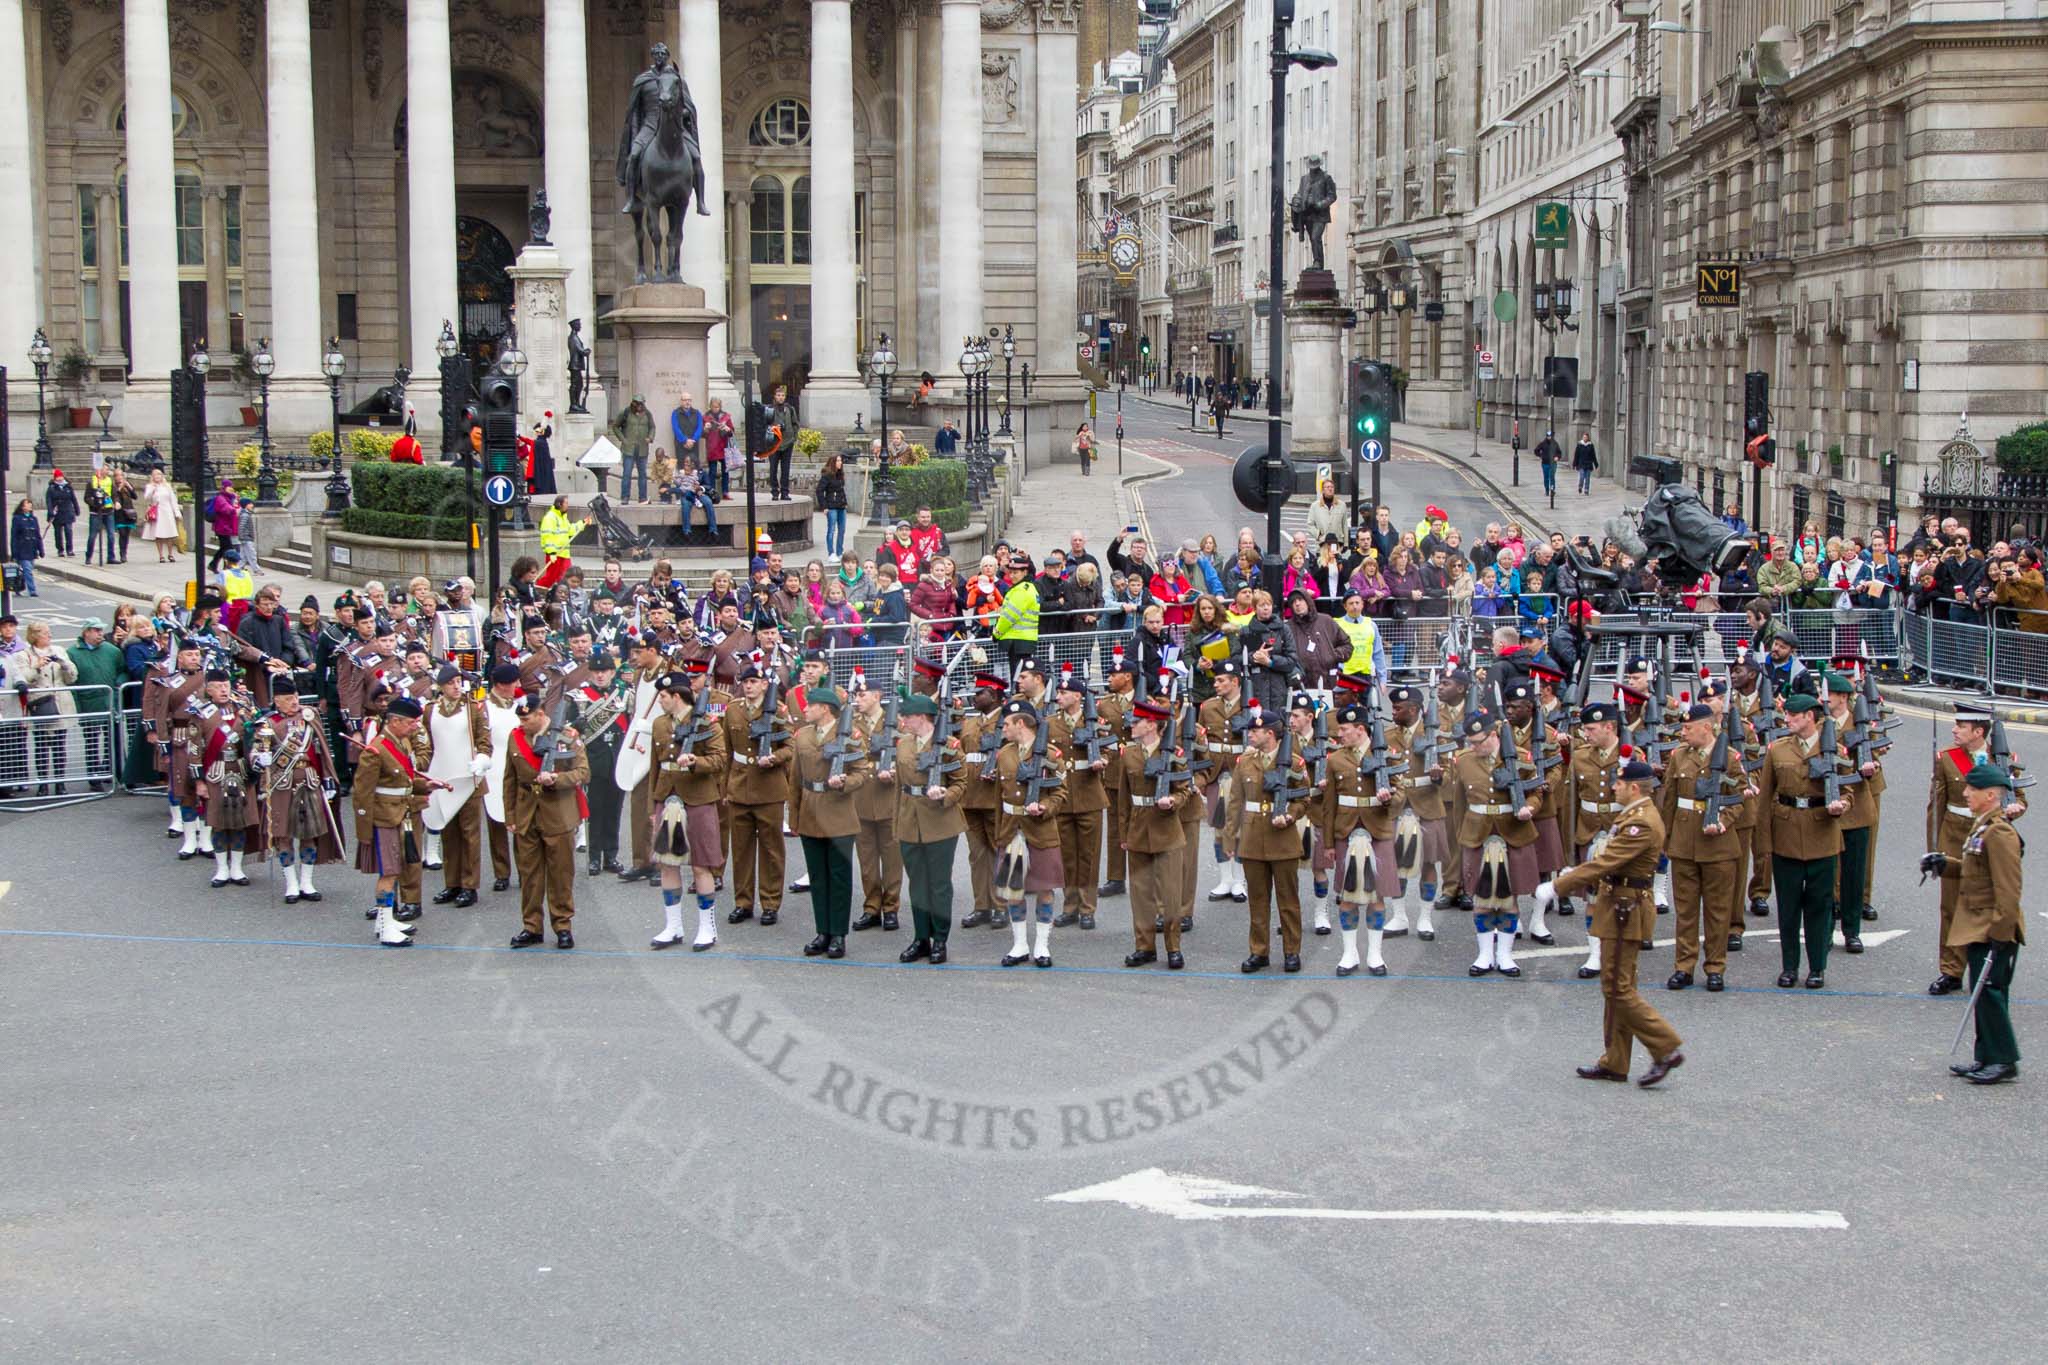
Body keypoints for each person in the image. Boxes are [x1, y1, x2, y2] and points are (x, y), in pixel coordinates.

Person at [1541, 759, 1686, 1087]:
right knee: (1616, 987)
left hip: (1626, 910)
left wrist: (1558, 886)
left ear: (1634, 788)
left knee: (1618, 988)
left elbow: (1608, 861)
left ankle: (1664, 1047)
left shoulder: (1641, 823)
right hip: (1619, 906)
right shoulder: (1635, 815)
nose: (1613, 788)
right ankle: (1616, 1061)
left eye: (1619, 784)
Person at [1925, 707, 2028, 994]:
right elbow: (1936, 804)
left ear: (1979, 731)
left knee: (1987, 903)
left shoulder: (2004, 758)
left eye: (1962, 726)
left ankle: (1984, 966)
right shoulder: (1946, 759)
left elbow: (2017, 795)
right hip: (1955, 835)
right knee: (1951, 907)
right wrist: (1934, 850)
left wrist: (2016, 808)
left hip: (1991, 839)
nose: (1955, 730)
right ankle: (1951, 969)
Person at [1755, 693, 1855, 989]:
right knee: (1788, 907)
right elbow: (1764, 800)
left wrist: (1841, 806)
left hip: (1821, 832)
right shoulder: (1778, 750)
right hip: (1786, 832)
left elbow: (1849, 790)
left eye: (1793, 716)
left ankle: (1816, 968)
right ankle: (1789, 967)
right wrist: (1764, 844)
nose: (1787, 721)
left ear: (1809, 717)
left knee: (1819, 906)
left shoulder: (1833, 750)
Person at [1945, 764, 2025, 1084]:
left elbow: (2008, 889)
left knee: (1990, 992)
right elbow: (1974, 868)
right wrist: (1945, 865)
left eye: (1971, 790)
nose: (1965, 793)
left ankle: (2004, 1060)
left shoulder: (2000, 832)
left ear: (1990, 795)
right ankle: (1986, 1056)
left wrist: (2001, 933)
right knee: (1983, 993)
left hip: (1993, 926)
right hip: (1980, 923)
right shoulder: (1984, 826)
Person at [1657, 704, 1745, 992]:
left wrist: (1723, 821)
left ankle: (1715, 966)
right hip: (1684, 841)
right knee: (1686, 910)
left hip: (1717, 844)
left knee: (1718, 911)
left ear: (1706, 728)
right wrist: (1665, 838)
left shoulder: (1730, 758)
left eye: (1688, 728)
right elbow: (1669, 799)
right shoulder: (1679, 757)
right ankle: (1684, 966)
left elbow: (1740, 798)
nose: (1683, 733)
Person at [646, 670, 728, 951]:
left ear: (677, 697)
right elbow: (655, 768)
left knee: (701, 865)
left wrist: (695, 761)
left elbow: (719, 759)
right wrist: (652, 806)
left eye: (664, 696)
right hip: (667, 798)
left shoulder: (707, 723)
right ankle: (673, 926)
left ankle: (707, 927)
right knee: (667, 863)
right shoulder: (658, 725)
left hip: (698, 798)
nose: (660, 701)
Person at [1229, 706, 1312, 973]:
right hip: (1253, 836)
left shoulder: (1295, 763)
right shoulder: (1245, 762)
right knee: (1257, 899)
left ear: (1271, 734)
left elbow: (1303, 798)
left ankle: (1291, 951)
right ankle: (1259, 950)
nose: (1251, 735)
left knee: (1288, 900)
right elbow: (1235, 803)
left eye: (1256, 731)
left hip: (1283, 837)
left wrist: (1290, 816)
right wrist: (1230, 837)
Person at [504, 693, 590, 950]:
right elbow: (509, 779)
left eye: (527, 718)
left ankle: (563, 925)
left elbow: (583, 772)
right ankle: (531, 926)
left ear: (541, 715)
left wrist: (557, 779)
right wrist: (510, 815)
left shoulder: (567, 736)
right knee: (529, 874)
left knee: (560, 873)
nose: (522, 723)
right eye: (519, 718)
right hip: (526, 812)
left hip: (558, 813)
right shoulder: (515, 737)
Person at [248, 676, 345, 904]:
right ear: (277, 700)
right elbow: (254, 753)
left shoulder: (309, 717)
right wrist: (259, 759)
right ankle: (291, 884)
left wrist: (329, 779)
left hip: (308, 781)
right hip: (282, 783)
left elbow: (322, 749)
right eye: (288, 698)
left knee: (309, 835)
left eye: (296, 697)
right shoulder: (267, 724)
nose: (294, 702)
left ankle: (306, 882)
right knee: (283, 836)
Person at [791, 686, 871, 958]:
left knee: (838, 877)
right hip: (810, 811)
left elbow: (862, 772)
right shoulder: (802, 735)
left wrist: (845, 782)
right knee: (817, 876)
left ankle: (838, 934)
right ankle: (822, 931)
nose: (805, 708)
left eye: (809, 705)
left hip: (838, 813)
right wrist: (794, 817)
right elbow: (795, 779)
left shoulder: (849, 734)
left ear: (824, 708)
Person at [892, 691, 969, 963]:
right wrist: (897, 823)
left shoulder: (948, 745)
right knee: (917, 884)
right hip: (910, 818)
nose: (903, 721)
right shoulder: (903, 745)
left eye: (907, 716)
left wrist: (945, 795)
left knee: (938, 884)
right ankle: (920, 938)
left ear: (922, 717)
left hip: (940, 821)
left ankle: (940, 939)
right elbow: (899, 788)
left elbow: (960, 782)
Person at [993, 693, 1070, 967]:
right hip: (1012, 829)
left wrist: (1045, 807)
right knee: (1014, 890)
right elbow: (997, 798)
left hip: (1040, 829)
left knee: (1045, 889)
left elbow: (1061, 793)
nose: (1003, 728)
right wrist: (999, 833)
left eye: (1007, 724)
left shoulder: (1050, 755)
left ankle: (1042, 944)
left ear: (1021, 725)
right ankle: (1019, 944)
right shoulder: (1004, 754)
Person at [721, 661, 796, 927]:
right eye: (746, 682)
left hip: (769, 788)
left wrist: (774, 758)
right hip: (740, 785)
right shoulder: (733, 710)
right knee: (740, 850)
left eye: (754, 682)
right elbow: (727, 752)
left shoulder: (777, 711)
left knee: (771, 849)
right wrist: (725, 788)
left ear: (765, 684)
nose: (749, 686)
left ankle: (770, 902)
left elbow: (790, 746)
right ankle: (743, 902)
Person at [849, 677, 904, 933]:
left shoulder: (896, 723)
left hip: (888, 798)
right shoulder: (850, 723)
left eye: (862, 695)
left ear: (876, 695)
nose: (857, 699)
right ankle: (871, 906)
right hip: (861, 799)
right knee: (867, 859)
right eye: (857, 695)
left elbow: (907, 755)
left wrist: (893, 771)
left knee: (892, 858)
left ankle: (891, 907)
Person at [66, 617, 124, 789]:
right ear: (86, 632)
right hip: (88, 702)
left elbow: (122, 671)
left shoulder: (112, 651)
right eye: (96, 630)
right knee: (91, 741)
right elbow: (72, 681)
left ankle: (117, 774)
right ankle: (94, 777)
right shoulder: (73, 653)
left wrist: (119, 684)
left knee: (114, 739)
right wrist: (77, 705)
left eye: (101, 630)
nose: (100, 634)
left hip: (109, 701)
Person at [536, 495, 591, 590]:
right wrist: (551, 552)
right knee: (551, 578)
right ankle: (538, 589)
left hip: (564, 554)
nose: (567, 505)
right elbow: (547, 536)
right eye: (566, 503)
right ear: (559, 504)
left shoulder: (563, 518)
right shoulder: (550, 518)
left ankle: (565, 594)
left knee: (567, 577)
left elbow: (570, 530)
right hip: (555, 554)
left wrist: (582, 522)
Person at [609, 394, 656, 503]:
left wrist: (650, 437)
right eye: (637, 403)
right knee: (627, 473)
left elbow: (652, 427)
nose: (640, 406)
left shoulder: (647, 414)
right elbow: (615, 426)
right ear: (633, 403)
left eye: (641, 404)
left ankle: (642, 497)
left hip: (642, 448)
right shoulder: (625, 413)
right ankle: (625, 497)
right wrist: (623, 439)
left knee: (643, 474)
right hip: (629, 448)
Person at [764, 383, 799, 500]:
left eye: (783, 395)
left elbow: (795, 424)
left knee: (786, 469)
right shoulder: (769, 409)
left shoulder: (790, 409)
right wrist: (774, 429)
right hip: (773, 443)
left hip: (787, 442)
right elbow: (765, 425)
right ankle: (774, 491)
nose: (781, 397)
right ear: (774, 396)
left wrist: (794, 436)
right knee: (773, 469)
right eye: (778, 395)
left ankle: (785, 492)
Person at [675, 449, 719, 540]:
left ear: (693, 463)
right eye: (685, 462)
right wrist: (677, 478)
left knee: (708, 502)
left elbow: (708, 485)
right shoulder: (682, 472)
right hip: (687, 494)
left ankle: (713, 530)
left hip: (699, 494)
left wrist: (700, 488)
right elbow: (679, 485)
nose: (685, 464)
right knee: (686, 505)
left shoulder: (701, 472)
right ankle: (687, 531)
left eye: (688, 462)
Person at [139, 469, 181, 563]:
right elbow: (146, 498)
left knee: (170, 534)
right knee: (159, 535)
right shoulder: (150, 486)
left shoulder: (167, 486)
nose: (157, 476)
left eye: (159, 475)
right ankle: (161, 555)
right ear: (152, 476)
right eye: (155, 475)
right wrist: (153, 488)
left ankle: (170, 554)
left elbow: (173, 500)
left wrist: (177, 513)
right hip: (158, 512)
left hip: (167, 511)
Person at [8, 497, 44, 596]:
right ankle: (32, 590)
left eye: (30, 503)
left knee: (26, 571)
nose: (30, 505)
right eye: (27, 504)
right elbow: (14, 536)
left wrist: (41, 549)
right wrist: (14, 552)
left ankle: (17, 586)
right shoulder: (17, 519)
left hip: (32, 549)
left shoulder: (34, 519)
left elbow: (37, 535)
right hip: (22, 549)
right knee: (28, 570)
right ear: (22, 507)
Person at [814, 453, 848, 557]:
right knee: (831, 530)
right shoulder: (827, 476)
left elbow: (841, 490)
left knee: (842, 530)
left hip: (841, 506)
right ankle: (831, 552)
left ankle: (839, 551)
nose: (840, 463)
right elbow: (819, 491)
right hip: (831, 506)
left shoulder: (840, 474)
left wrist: (845, 502)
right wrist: (824, 506)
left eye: (840, 461)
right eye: (838, 461)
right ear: (833, 462)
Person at [43, 469, 79, 557]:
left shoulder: (68, 487)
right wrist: (51, 511)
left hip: (67, 511)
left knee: (68, 530)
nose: (59, 478)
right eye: (57, 477)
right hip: (57, 513)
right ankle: (60, 549)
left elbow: (73, 499)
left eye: (60, 476)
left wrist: (76, 508)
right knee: (58, 533)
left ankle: (69, 549)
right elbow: (49, 501)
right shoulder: (51, 488)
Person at [1572, 429, 1598, 495]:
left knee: (1587, 478)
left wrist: (1596, 464)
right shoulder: (1579, 445)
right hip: (1581, 464)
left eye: (1586, 437)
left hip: (1588, 464)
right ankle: (1580, 486)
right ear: (1582, 438)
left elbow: (1593, 455)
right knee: (1582, 476)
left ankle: (1586, 489)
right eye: (1584, 437)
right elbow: (1576, 455)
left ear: (1588, 438)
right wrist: (1574, 464)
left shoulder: (1591, 445)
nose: (1585, 438)